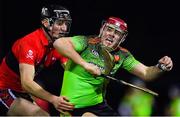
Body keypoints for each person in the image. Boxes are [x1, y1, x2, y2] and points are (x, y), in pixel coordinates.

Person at [53, 16, 173, 116]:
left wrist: (161, 67)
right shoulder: (87, 42)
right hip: (73, 106)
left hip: (98, 106)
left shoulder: (123, 55)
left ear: (123, 38)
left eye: (117, 33)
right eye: (109, 29)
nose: (111, 35)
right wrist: (85, 64)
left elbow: (147, 73)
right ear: (102, 29)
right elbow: (59, 43)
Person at [0, 4, 74, 115]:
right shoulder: (29, 43)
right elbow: (27, 83)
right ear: (45, 23)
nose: (64, 28)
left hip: (22, 92)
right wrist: (54, 99)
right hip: (4, 89)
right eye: (59, 23)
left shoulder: (58, 44)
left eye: (66, 24)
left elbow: (72, 70)